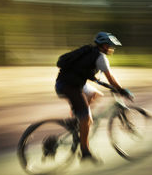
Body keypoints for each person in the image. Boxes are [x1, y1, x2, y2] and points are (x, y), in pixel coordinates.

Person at [55, 31, 133, 162]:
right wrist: (121, 90)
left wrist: (101, 82)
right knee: (87, 118)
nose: (112, 48)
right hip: (70, 87)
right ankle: (85, 151)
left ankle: (76, 119)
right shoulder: (100, 57)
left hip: (66, 83)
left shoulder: (89, 52)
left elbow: (82, 70)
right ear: (103, 46)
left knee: (96, 94)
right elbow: (110, 77)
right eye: (110, 45)